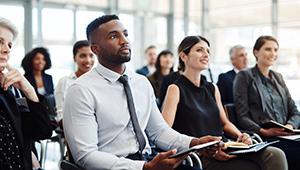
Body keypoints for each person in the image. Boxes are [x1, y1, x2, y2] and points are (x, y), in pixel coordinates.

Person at [63, 15, 222, 170]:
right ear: (95, 49)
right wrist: (143, 168)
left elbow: (159, 132)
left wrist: (195, 143)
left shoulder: (141, 82)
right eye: (113, 37)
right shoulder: (81, 90)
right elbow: (86, 155)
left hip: (147, 159)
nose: (124, 41)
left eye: (125, 34)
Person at [161, 35, 288, 170]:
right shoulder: (175, 89)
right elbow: (165, 132)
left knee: (276, 154)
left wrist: (241, 135)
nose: (206, 55)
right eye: (199, 50)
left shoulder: (212, 88)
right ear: (183, 56)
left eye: (208, 51)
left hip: (224, 146)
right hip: (200, 155)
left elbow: (225, 123)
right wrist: (198, 147)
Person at [233, 35, 300, 170]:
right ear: (256, 52)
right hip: (264, 137)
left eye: (276, 50)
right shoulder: (244, 76)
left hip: (287, 134)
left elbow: (294, 111)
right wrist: (264, 131)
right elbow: (242, 116)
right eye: (268, 49)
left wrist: (290, 126)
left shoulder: (278, 77)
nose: (273, 54)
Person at [0, 17, 52, 170]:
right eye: (0, 42)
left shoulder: (11, 88)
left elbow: (42, 131)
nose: (7, 49)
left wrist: (29, 90)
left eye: (9, 44)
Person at [55, 40, 94, 122]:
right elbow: (61, 114)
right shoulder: (64, 82)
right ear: (74, 58)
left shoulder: (99, 82)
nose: (88, 60)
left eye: (91, 55)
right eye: (82, 56)